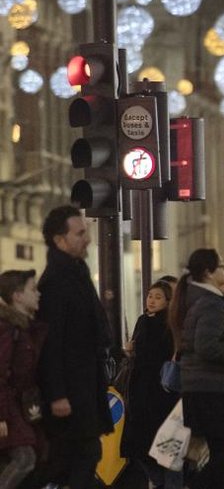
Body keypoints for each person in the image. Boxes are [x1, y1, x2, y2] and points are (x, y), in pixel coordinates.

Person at [36, 206, 113, 489]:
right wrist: (57, 394)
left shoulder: (76, 273)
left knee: (76, 460)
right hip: (70, 391)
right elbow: (51, 343)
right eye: (80, 233)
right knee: (83, 455)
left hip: (82, 386)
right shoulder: (56, 282)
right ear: (59, 240)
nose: (88, 238)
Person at [169, 248, 224, 489]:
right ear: (208, 272)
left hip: (204, 388)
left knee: (219, 452)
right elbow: (206, 346)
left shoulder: (201, 300)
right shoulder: (211, 304)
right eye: (221, 265)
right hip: (211, 389)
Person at [120, 280, 181, 489]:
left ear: (168, 301)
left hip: (162, 393)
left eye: (158, 297)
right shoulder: (143, 320)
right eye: (149, 296)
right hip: (141, 393)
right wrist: (130, 349)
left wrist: (135, 349)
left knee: (165, 450)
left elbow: (157, 353)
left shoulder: (170, 324)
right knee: (141, 449)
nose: (152, 300)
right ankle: (161, 483)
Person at [0, 270, 47, 489]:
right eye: (32, 289)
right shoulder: (8, 329)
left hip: (23, 406)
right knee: (25, 458)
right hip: (10, 407)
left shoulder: (25, 327)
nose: (38, 294)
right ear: (17, 296)